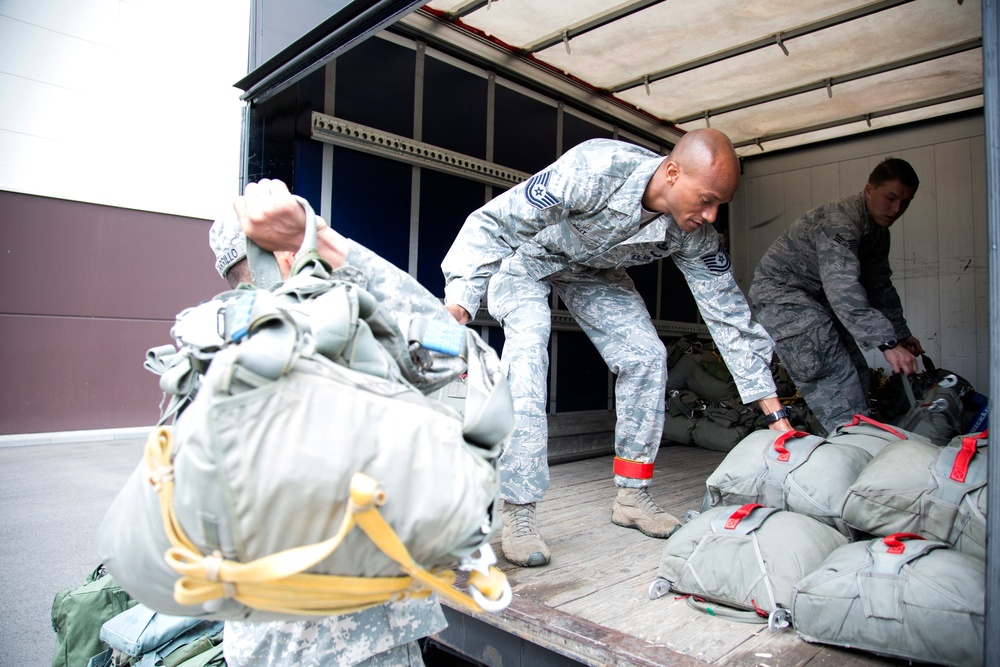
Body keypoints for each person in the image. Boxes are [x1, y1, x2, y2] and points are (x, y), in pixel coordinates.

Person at [440, 129, 792, 568]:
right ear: (672, 172)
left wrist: (775, 416)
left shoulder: (694, 232)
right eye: (706, 199)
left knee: (645, 357)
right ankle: (520, 511)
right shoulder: (596, 170)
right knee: (529, 351)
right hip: (526, 260)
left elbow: (728, 313)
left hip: (593, 271)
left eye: (720, 204)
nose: (712, 214)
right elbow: (493, 222)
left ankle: (631, 496)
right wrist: (461, 300)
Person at [209, 183, 449, 667]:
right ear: (285, 258)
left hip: (265, 640)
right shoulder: (320, 338)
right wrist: (328, 241)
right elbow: (444, 346)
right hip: (350, 641)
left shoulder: (219, 346)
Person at [749, 157, 925, 436]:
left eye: (906, 201)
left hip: (818, 303)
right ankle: (852, 452)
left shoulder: (878, 233)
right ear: (869, 190)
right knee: (837, 381)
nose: (896, 209)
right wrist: (887, 343)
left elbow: (880, 286)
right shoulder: (840, 222)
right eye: (890, 198)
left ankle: (845, 447)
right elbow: (842, 287)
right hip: (784, 298)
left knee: (857, 372)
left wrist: (900, 334)